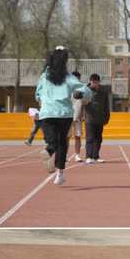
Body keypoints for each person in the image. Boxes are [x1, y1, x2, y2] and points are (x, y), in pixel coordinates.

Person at [34, 46, 92, 185]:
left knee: (53, 141)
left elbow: (37, 94)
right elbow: (86, 90)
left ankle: (49, 151)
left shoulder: (44, 76)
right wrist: (86, 99)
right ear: (65, 61)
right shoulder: (68, 76)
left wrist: (41, 99)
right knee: (62, 142)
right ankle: (60, 174)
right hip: (64, 114)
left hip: (47, 112)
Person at [83, 73, 110, 164]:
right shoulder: (86, 90)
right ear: (90, 82)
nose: (95, 84)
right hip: (89, 118)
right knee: (90, 138)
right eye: (93, 82)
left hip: (100, 118)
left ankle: (96, 156)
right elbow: (78, 97)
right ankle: (88, 156)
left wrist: (106, 118)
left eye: (96, 82)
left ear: (99, 82)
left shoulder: (103, 91)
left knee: (98, 138)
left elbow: (106, 105)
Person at [66, 71, 85, 163]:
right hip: (67, 116)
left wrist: (82, 115)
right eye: (74, 78)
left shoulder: (82, 88)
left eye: (78, 78)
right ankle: (65, 154)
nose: (76, 80)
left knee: (78, 136)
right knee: (67, 137)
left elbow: (83, 103)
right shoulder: (66, 88)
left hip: (78, 116)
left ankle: (77, 155)